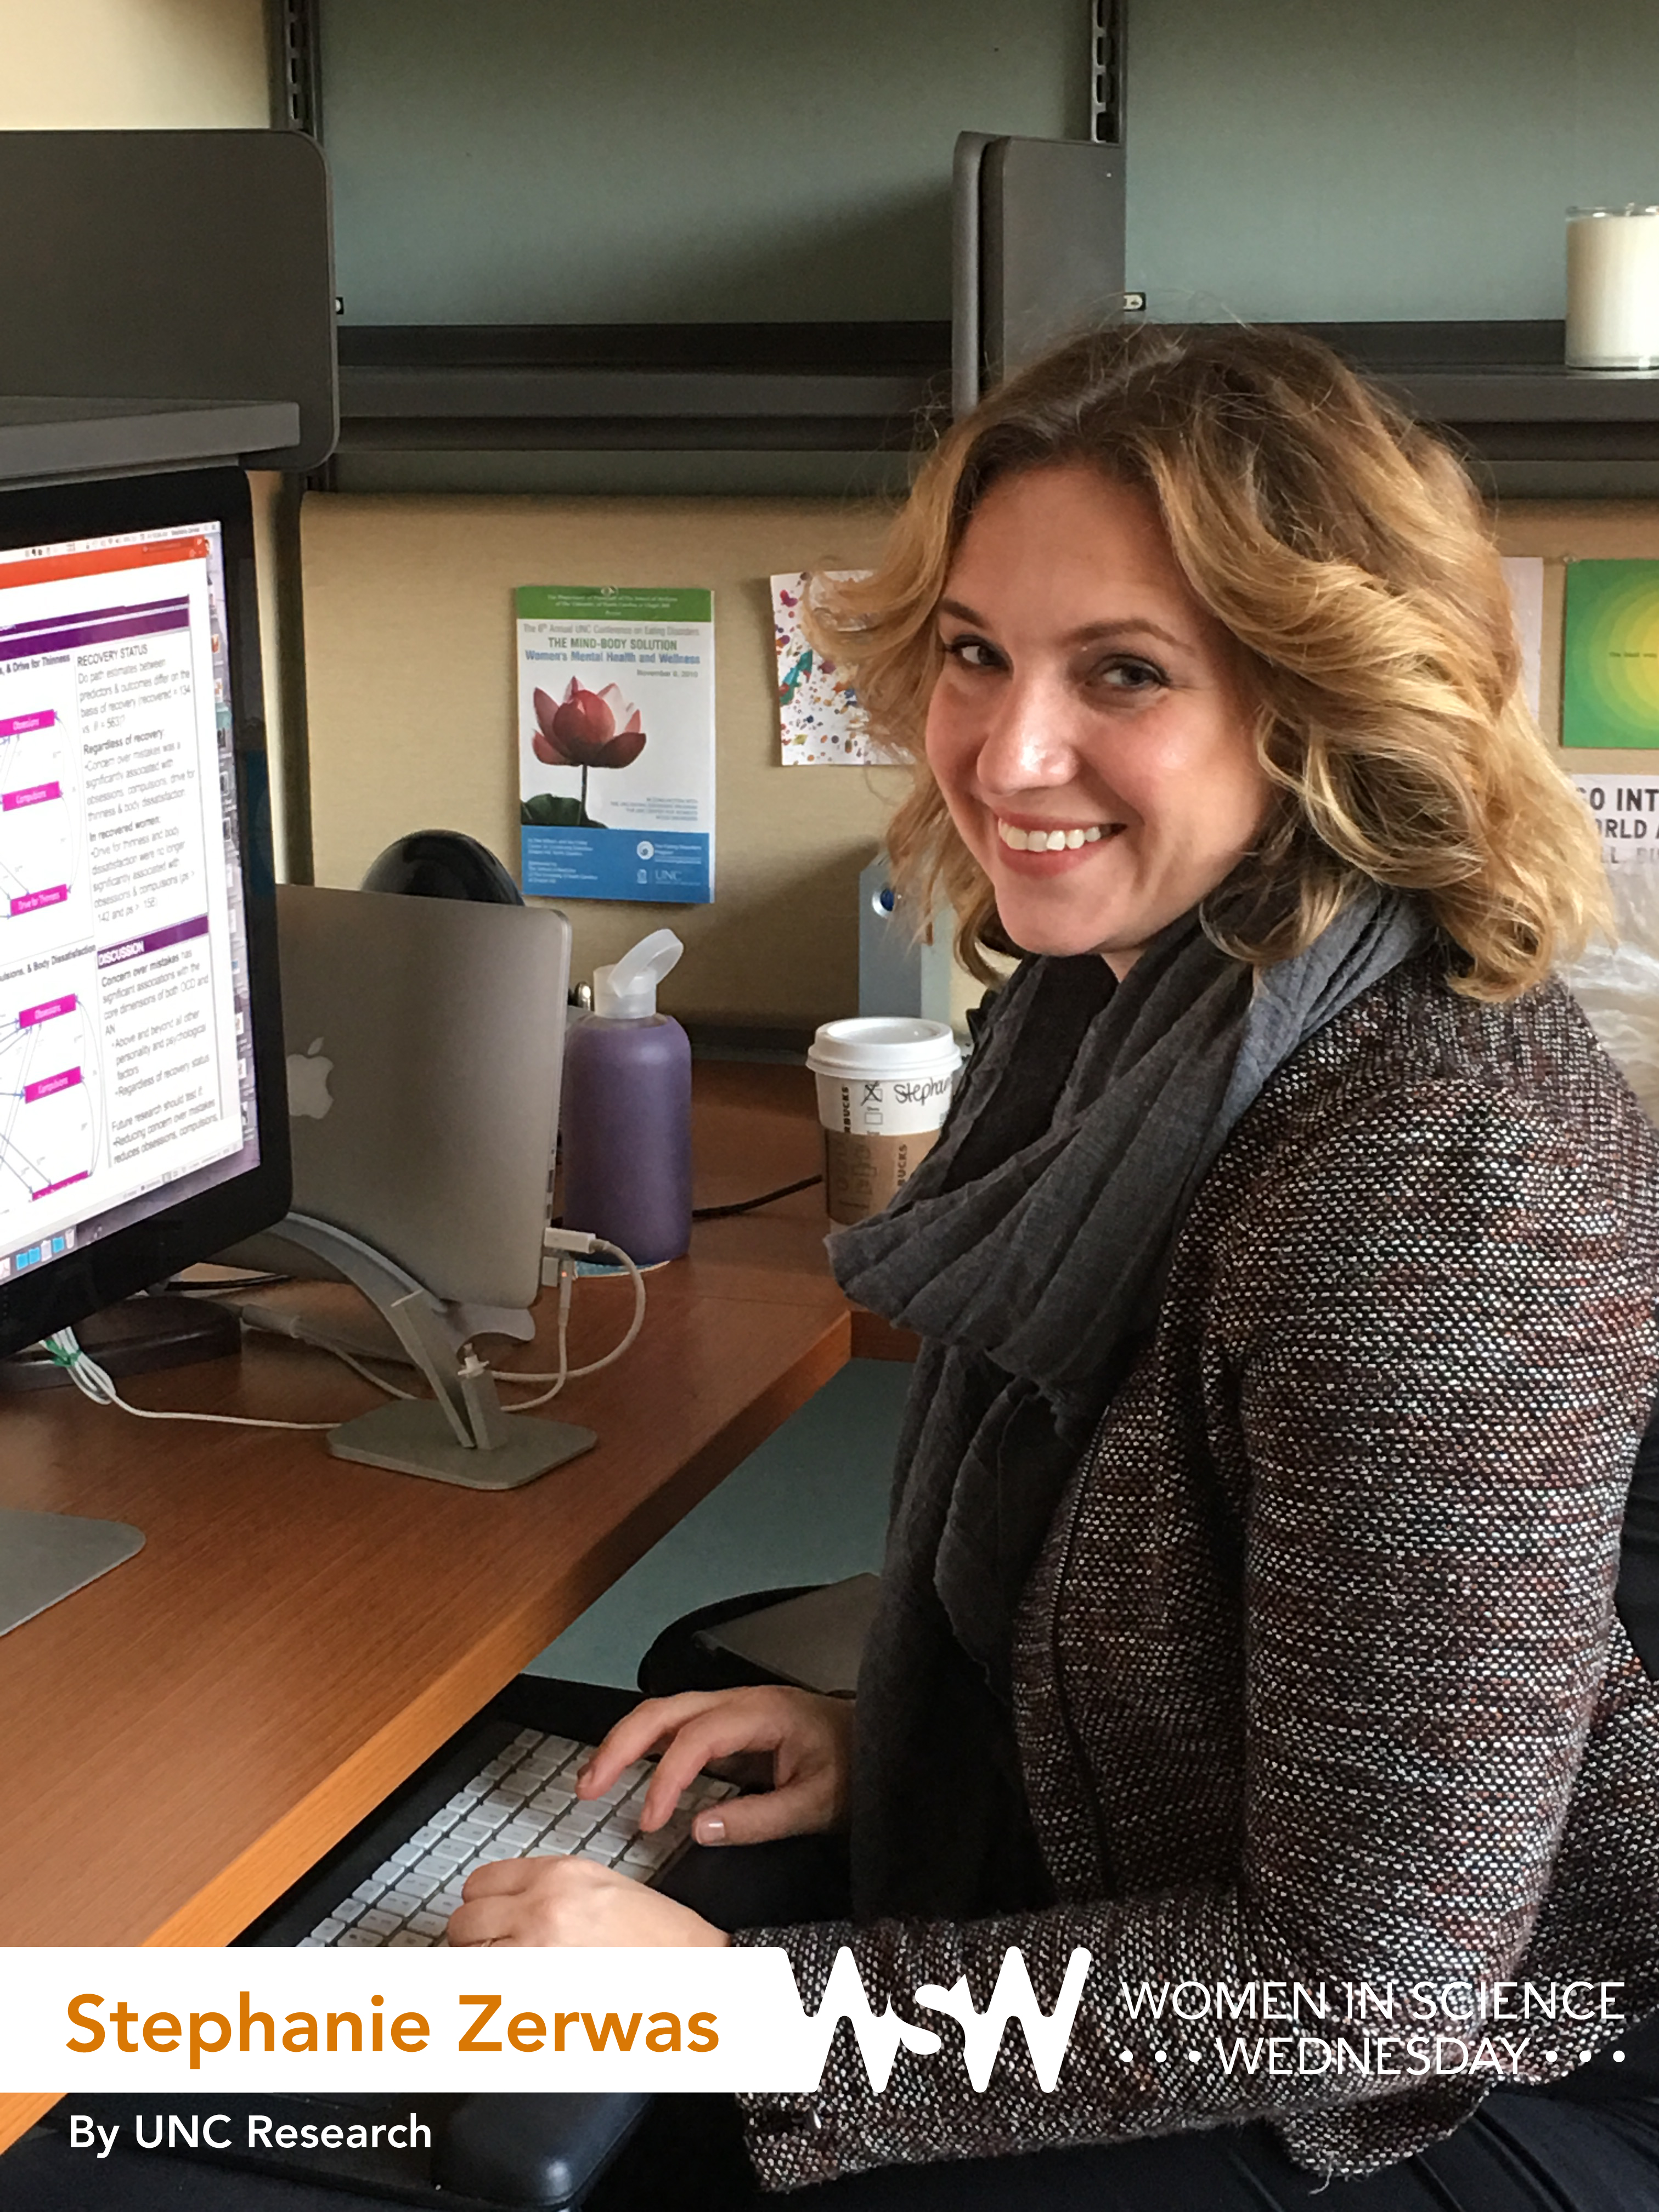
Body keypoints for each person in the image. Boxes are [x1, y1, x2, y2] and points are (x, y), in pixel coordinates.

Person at [448, 324, 1659, 2209]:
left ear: (1320, 699)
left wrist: (741, 2015)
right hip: (1261, 1913)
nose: (1010, 752)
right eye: (974, 654)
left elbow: (1376, 1998)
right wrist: (903, 1735)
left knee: (613, 2147)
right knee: (659, 1760)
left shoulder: (1442, 1179)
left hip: (1472, 2076)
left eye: (1126, 673)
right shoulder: (1124, 1011)